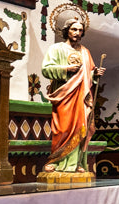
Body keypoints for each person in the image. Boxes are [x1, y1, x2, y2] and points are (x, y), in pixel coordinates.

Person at [42, 18, 106, 173]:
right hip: (64, 95)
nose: (77, 33)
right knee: (62, 128)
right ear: (67, 31)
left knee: (80, 127)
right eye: (74, 29)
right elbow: (46, 69)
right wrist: (66, 69)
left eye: (80, 30)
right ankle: (56, 161)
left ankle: (76, 163)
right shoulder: (56, 48)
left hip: (81, 96)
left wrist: (95, 74)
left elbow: (89, 75)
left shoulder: (85, 52)